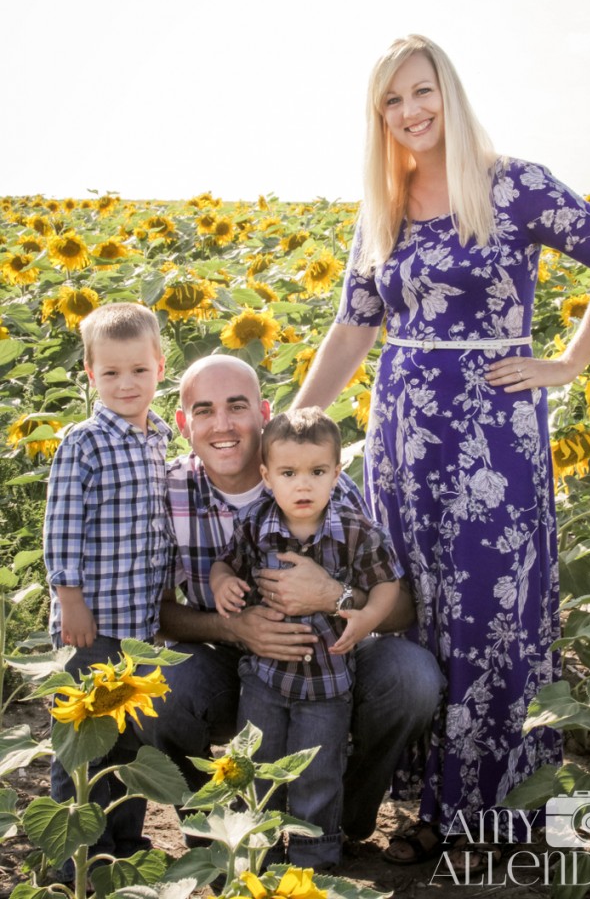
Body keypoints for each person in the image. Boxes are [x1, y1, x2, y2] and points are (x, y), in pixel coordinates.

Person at [291, 34, 590, 867]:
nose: (410, 112)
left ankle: (496, 815)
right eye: (392, 101)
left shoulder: (512, 183)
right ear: (377, 115)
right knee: (413, 616)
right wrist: (298, 418)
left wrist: (568, 363)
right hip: (403, 441)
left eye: (422, 92)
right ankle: (431, 810)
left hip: (496, 436)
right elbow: (354, 326)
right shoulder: (383, 201)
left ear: (448, 91)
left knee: (494, 619)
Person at [139, 353, 445, 850]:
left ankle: (346, 815)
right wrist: (233, 626)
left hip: (327, 661)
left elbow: (403, 605)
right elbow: (150, 609)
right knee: (159, 686)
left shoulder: (319, 481)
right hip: (227, 667)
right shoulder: (165, 490)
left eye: (237, 406)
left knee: (413, 678)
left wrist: (334, 594)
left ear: (263, 414)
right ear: (182, 422)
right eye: (204, 410)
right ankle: (216, 830)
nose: (223, 425)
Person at [210, 407, 402, 868]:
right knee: (256, 764)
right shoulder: (256, 524)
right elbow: (225, 563)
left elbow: (387, 581)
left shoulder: (356, 529)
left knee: (318, 770)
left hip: (327, 681)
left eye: (317, 472)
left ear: (337, 473)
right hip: (263, 676)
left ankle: (315, 856)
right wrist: (222, 584)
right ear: (267, 475)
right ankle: (258, 848)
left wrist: (365, 615)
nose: (303, 485)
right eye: (289, 473)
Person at [44, 302, 171, 869]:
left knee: (129, 741)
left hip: (140, 626)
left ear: (160, 369)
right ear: (90, 375)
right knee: (81, 740)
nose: (127, 383)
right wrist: (69, 600)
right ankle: (76, 848)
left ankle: (123, 841)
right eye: (112, 373)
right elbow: (63, 524)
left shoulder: (160, 438)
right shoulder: (84, 442)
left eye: (138, 371)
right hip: (92, 624)